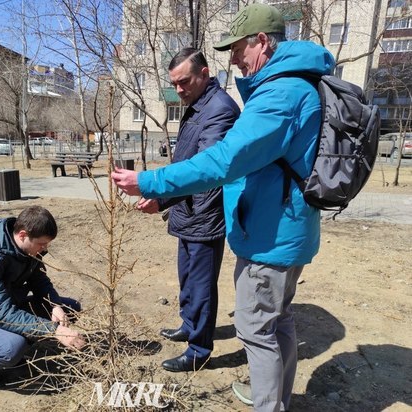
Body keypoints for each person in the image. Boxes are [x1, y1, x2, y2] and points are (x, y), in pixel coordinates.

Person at [112, 3, 335, 411]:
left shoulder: (281, 95)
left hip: (273, 234)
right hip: (279, 226)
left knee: (255, 329)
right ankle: (276, 398)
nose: (232, 59)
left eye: (236, 49)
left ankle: (269, 404)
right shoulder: (288, 86)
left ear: (262, 42)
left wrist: (149, 182)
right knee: (276, 321)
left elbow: (223, 160)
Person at [137, 48, 240, 373]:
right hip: (187, 209)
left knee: (201, 284)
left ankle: (199, 349)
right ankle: (189, 325)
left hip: (205, 214)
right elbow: (185, 164)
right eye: (175, 84)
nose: (179, 89)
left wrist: (157, 190)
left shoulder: (220, 109)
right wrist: (164, 201)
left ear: (205, 73)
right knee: (187, 278)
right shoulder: (197, 105)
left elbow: (204, 169)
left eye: (184, 81)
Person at [0, 205, 85, 388]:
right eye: (42, 243)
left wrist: (55, 305)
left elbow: (39, 280)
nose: (45, 248)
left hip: (10, 305)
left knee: (69, 308)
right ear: (22, 235)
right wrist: (53, 330)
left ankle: (21, 345)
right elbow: (1, 313)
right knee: (11, 348)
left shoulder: (27, 248)